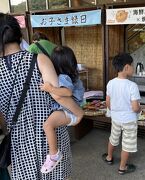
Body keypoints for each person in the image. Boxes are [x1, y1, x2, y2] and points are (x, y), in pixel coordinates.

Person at [0, 13, 83, 179]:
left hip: (20, 142)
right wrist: (79, 113)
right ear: (18, 34)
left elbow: (1, 119)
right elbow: (58, 97)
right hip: (50, 137)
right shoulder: (39, 60)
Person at [40, 46, 84, 173]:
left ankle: (54, 154)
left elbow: (67, 92)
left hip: (69, 111)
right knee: (48, 125)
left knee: (48, 125)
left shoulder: (63, 76)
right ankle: (54, 154)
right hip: (69, 110)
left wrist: (50, 89)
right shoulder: (71, 75)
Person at [102, 53, 141, 175]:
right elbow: (135, 108)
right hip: (129, 120)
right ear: (126, 67)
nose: (133, 68)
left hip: (116, 118)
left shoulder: (110, 83)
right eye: (132, 65)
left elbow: (108, 103)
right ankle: (122, 167)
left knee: (113, 138)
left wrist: (117, 110)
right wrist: (140, 109)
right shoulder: (132, 86)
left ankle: (109, 158)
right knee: (127, 143)